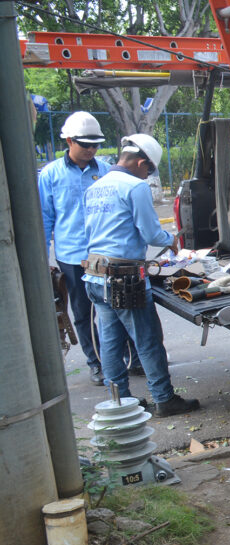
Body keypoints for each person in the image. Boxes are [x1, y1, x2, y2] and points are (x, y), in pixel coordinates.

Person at [82, 134, 199, 417]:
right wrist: (169, 239)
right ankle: (164, 399)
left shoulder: (96, 187)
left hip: (95, 275)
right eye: (148, 170)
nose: (148, 176)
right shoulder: (134, 187)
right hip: (124, 279)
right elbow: (149, 233)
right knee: (147, 339)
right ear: (140, 162)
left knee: (111, 341)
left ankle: (119, 402)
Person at [39, 112, 142, 384]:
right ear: (70, 141)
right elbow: (45, 218)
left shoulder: (106, 170)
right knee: (84, 313)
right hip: (72, 256)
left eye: (95, 145)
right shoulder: (51, 174)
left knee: (121, 306)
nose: (91, 150)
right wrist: (41, 258)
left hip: (106, 254)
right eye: (86, 145)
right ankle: (95, 362)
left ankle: (132, 358)